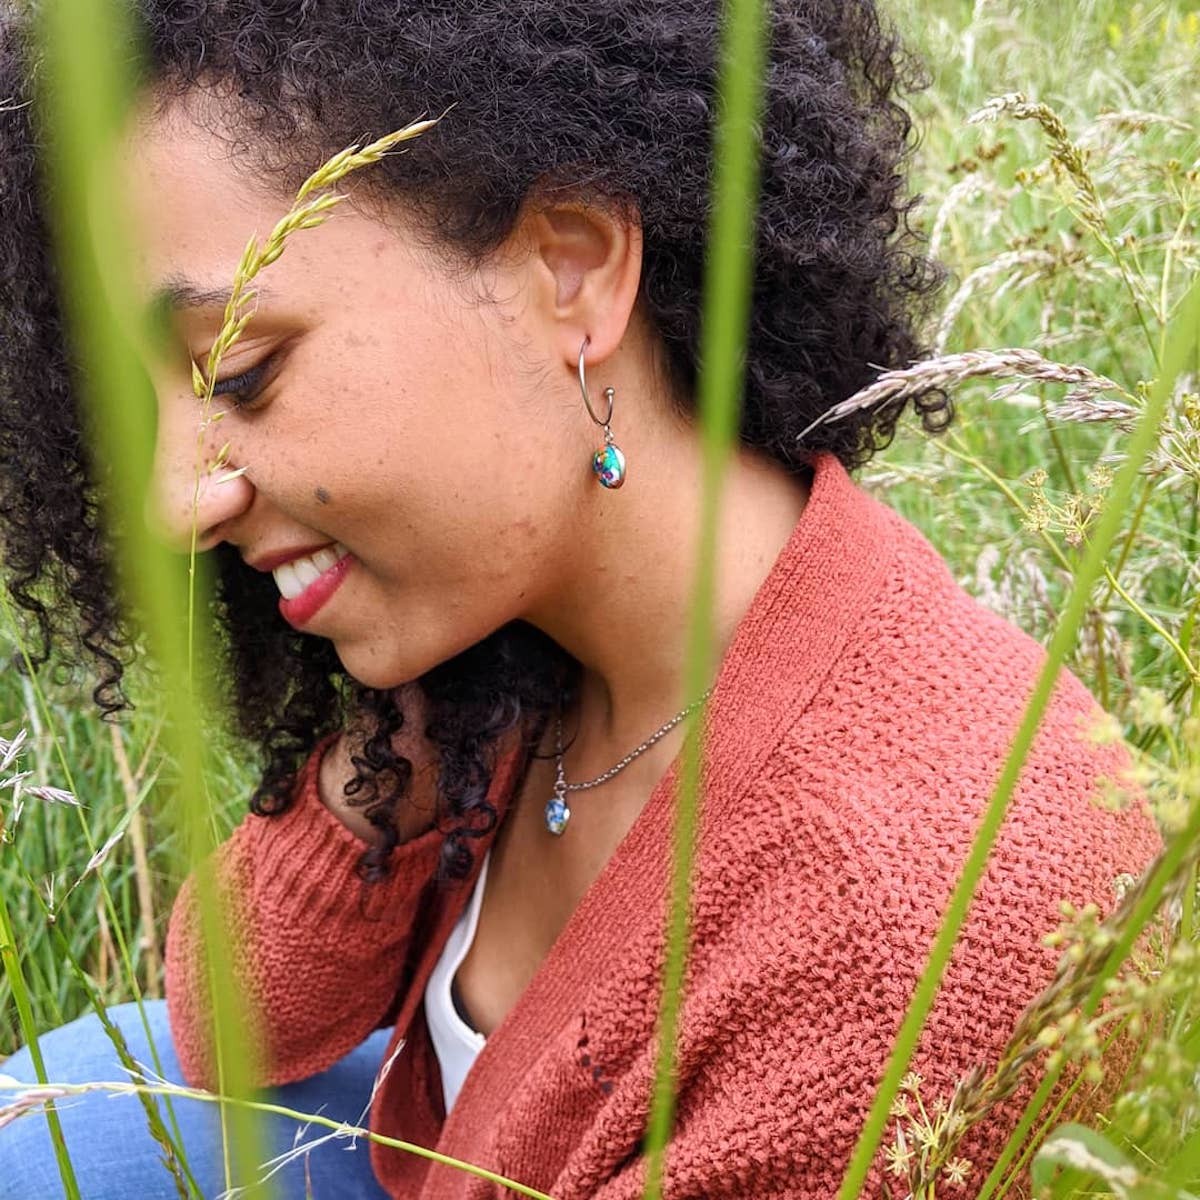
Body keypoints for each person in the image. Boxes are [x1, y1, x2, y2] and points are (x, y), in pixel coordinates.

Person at [0, 2, 1161, 1198]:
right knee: (63, 1109)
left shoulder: (881, 935)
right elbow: (232, 1025)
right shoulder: (515, 638)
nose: (171, 504)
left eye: (241, 374)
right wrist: (387, 744)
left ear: (574, 266)